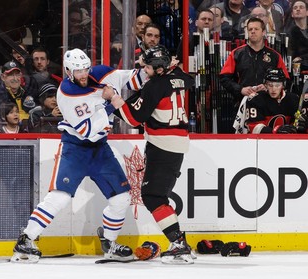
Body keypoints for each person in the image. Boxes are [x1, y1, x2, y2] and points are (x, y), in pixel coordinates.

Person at [11, 48, 147, 263]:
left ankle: (109, 243)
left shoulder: (101, 74)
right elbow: (87, 130)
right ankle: (26, 240)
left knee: (122, 198)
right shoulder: (66, 93)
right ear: (68, 71)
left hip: (101, 149)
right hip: (76, 149)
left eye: (85, 69)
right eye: (77, 71)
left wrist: (148, 65)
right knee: (61, 196)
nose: (83, 74)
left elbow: (133, 79)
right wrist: (111, 103)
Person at [114, 45, 196, 264]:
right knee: (157, 195)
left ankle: (178, 243)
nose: (144, 70)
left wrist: (115, 100)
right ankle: (178, 241)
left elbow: (133, 119)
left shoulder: (153, 86)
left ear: (159, 68)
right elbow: (188, 79)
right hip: (176, 144)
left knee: (152, 196)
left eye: (148, 67)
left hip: (163, 145)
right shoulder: (179, 78)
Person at [220, 17, 289, 132]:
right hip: (242, 104)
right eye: (250, 29)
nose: (252, 31)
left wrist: (268, 87)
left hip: (268, 108)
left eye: (256, 29)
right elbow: (224, 78)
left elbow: (286, 80)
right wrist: (240, 89)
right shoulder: (237, 53)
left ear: (263, 32)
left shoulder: (274, 56)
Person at [245, 68, 299, 134]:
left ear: (283, 85)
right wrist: (275, 130)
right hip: (261, 141)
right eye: (270, 85)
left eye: (277, 85)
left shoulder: (293, 99)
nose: (273, 89)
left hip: (286, 140)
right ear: (265, 85)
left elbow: (296, 123)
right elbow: (253, 127)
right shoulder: (256, 99)